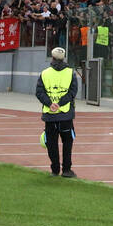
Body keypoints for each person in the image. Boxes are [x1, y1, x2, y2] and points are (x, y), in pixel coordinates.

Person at [35, 46, 77, 178]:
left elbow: (39, 92)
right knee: (67, 143)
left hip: (50, 116)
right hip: (65, 115)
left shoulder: (44, 73)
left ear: (52, 57)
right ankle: (66, 170)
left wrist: (50, 103)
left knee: (52, 144)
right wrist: (60, 103)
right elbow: (72, 92)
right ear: (64, 58)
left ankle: (54, 169)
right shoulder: (71, 73)